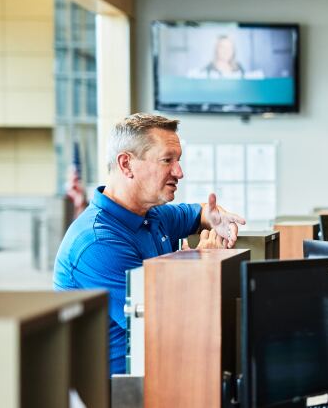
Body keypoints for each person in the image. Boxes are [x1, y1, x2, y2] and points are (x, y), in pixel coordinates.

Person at [53, 113, 246, 375]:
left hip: (164, 372)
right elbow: (167, 327)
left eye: (178, 160)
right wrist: (205, 271)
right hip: (123, 393)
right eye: (167, 160)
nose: (179, 172)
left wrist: (214, 217)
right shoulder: (98, 243)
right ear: (126, 164)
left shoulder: (151, 215)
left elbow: (197, 213)